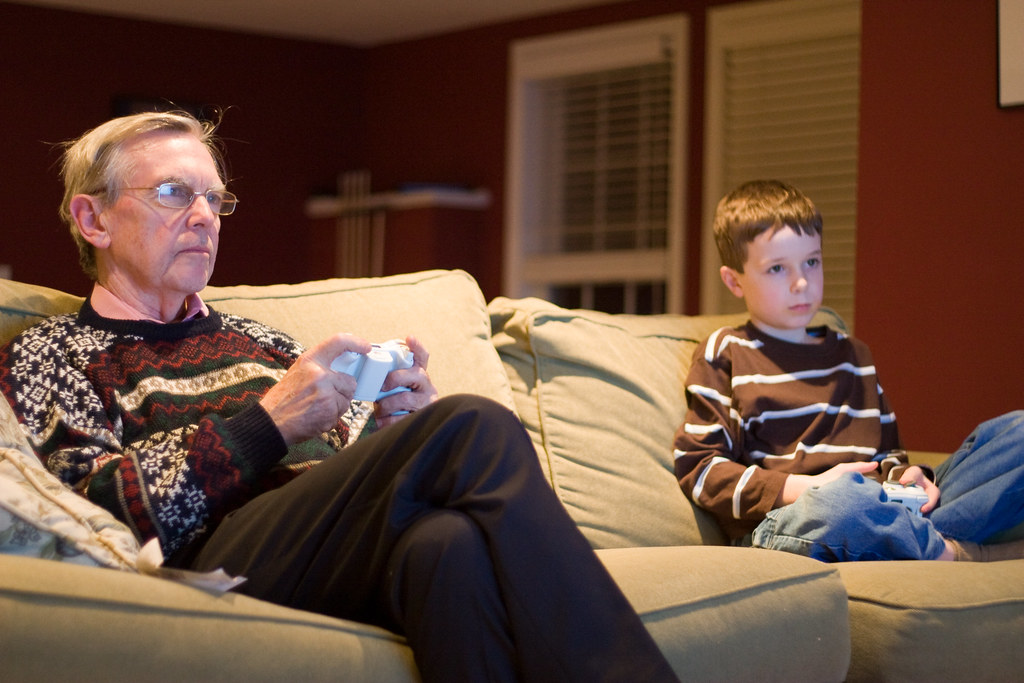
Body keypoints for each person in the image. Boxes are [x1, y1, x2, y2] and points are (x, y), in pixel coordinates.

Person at [0, 111, 679, 683]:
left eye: (216, 199)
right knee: (474, 422)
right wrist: (267, 423)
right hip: (206, 561)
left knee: (446, 545)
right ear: (93, 218)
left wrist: (396, 430)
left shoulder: (262, 341)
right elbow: (94, 513)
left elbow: (347, 466)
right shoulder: (51, 353)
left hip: (328, 549)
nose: (205, 217)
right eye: (175, 193)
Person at [673, 179, 1024, 563]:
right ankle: (949, 553)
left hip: (879, 506)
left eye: (812, 262)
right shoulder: (726, 352)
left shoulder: (854, 355)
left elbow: (888, 456)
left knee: (1018, 433)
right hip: (794, 519)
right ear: (734, 281)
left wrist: (909, 478)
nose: (801, 282)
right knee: (843, 502)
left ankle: (917, 540)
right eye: (776, 268)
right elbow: (699, 469)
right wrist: (806, 487)